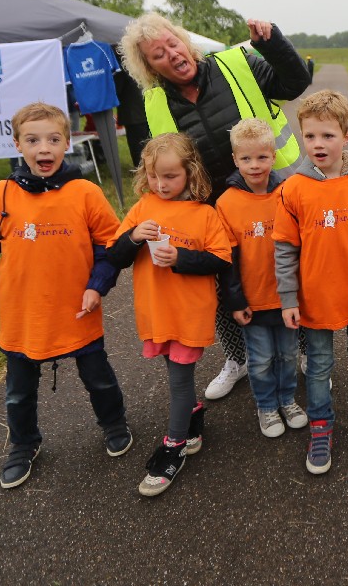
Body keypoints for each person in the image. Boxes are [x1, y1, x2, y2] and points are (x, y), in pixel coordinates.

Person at [119, 14, 311, 404]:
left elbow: (295, 83)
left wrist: (272, 43)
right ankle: (238, 358)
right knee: (223, 282)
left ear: (184, 40)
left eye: (172, 43)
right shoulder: (154, 102)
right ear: (149, 67)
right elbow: (160, 158)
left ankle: (304, 346)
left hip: (272, 191)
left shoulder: (237, 63)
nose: (172, 55)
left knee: (287, 267)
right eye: (158, 54)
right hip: (213, 207)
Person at [0, 102, 131, 489]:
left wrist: (96, 285)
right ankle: (24, 444)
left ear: (67, 143)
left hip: (77, 311)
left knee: (99, 379)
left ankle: (114, 423)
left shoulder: (85, 193)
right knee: (18, 393)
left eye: (53, 139)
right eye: (32, 140)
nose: (44, 148)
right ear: (17, 144)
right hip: (23, 317)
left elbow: (110, 247)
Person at [274, 90, 348, 474]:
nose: (318, 144)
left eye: (328, 135)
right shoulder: (293, 188)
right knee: (319, 365)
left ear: (346, 136)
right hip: (316, 297)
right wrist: (288, 297)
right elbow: (284, 249)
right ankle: (321, 425)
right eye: (310, 136)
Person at [107, 133, 232, 496]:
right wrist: (133, 237)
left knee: (178, 380)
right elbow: (114, 256)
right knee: (174, 372)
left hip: (188, 313)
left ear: (190, 173)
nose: (160, 184)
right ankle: (192, 416)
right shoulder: (142, 208)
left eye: (170, 176)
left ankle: (173, 446)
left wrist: (181, 258)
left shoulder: (205, 214)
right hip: (155, 312)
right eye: (153, 175)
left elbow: (221, 259)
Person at [217, 119, 308, 438]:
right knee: (260, 359)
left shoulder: (288, 194)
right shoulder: (226, 203)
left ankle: (287, 400)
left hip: (286, 299)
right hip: (252, 301)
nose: (254, 165)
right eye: (246, 158)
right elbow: (227, 260)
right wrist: (235, 301)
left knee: (287, 355)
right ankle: (267, 406)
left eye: (261, 157)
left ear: (273, 156)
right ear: (235, 160)